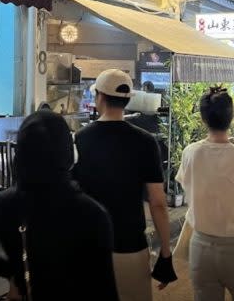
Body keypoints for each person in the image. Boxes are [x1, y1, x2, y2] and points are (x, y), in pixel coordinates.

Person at [0, 111, 119, 301]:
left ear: (21, 154)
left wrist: (11, 272)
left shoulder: (5, 204)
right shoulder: (93, 214)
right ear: (68, 152)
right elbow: (105, 290)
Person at [73, 69, 176, 300]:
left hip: (89, 247)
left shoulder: (80, 139)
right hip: (131, 246)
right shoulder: (146, 142)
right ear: (128, 100)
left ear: (99, 97)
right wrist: (166, 253)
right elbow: (158, 203)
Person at [175, 88, 234, 301]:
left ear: (202, 118)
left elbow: (188, 187)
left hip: (200, 246)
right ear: (231, 117)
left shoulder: (190, 153)